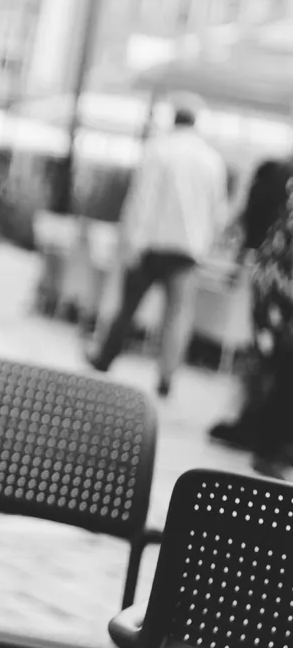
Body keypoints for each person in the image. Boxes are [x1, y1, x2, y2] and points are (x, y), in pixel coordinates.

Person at [88, 94, 228, 397]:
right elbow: (218, 213)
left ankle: (105, 357)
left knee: (128, 307)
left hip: (151, 245)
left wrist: (132, 243)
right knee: (178, 315)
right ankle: (167, 377)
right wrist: (206, 248)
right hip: (188, 251)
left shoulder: (159, 149)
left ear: (173, 118)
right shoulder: (212, 160)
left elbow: (142, 200)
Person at [211, 158, 293, 478]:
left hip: (273, 282)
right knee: (281, 365)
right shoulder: (281, 173)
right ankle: (268, 445)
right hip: (281, 287)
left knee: (271, 361)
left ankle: (256, 432)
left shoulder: (280, 173)